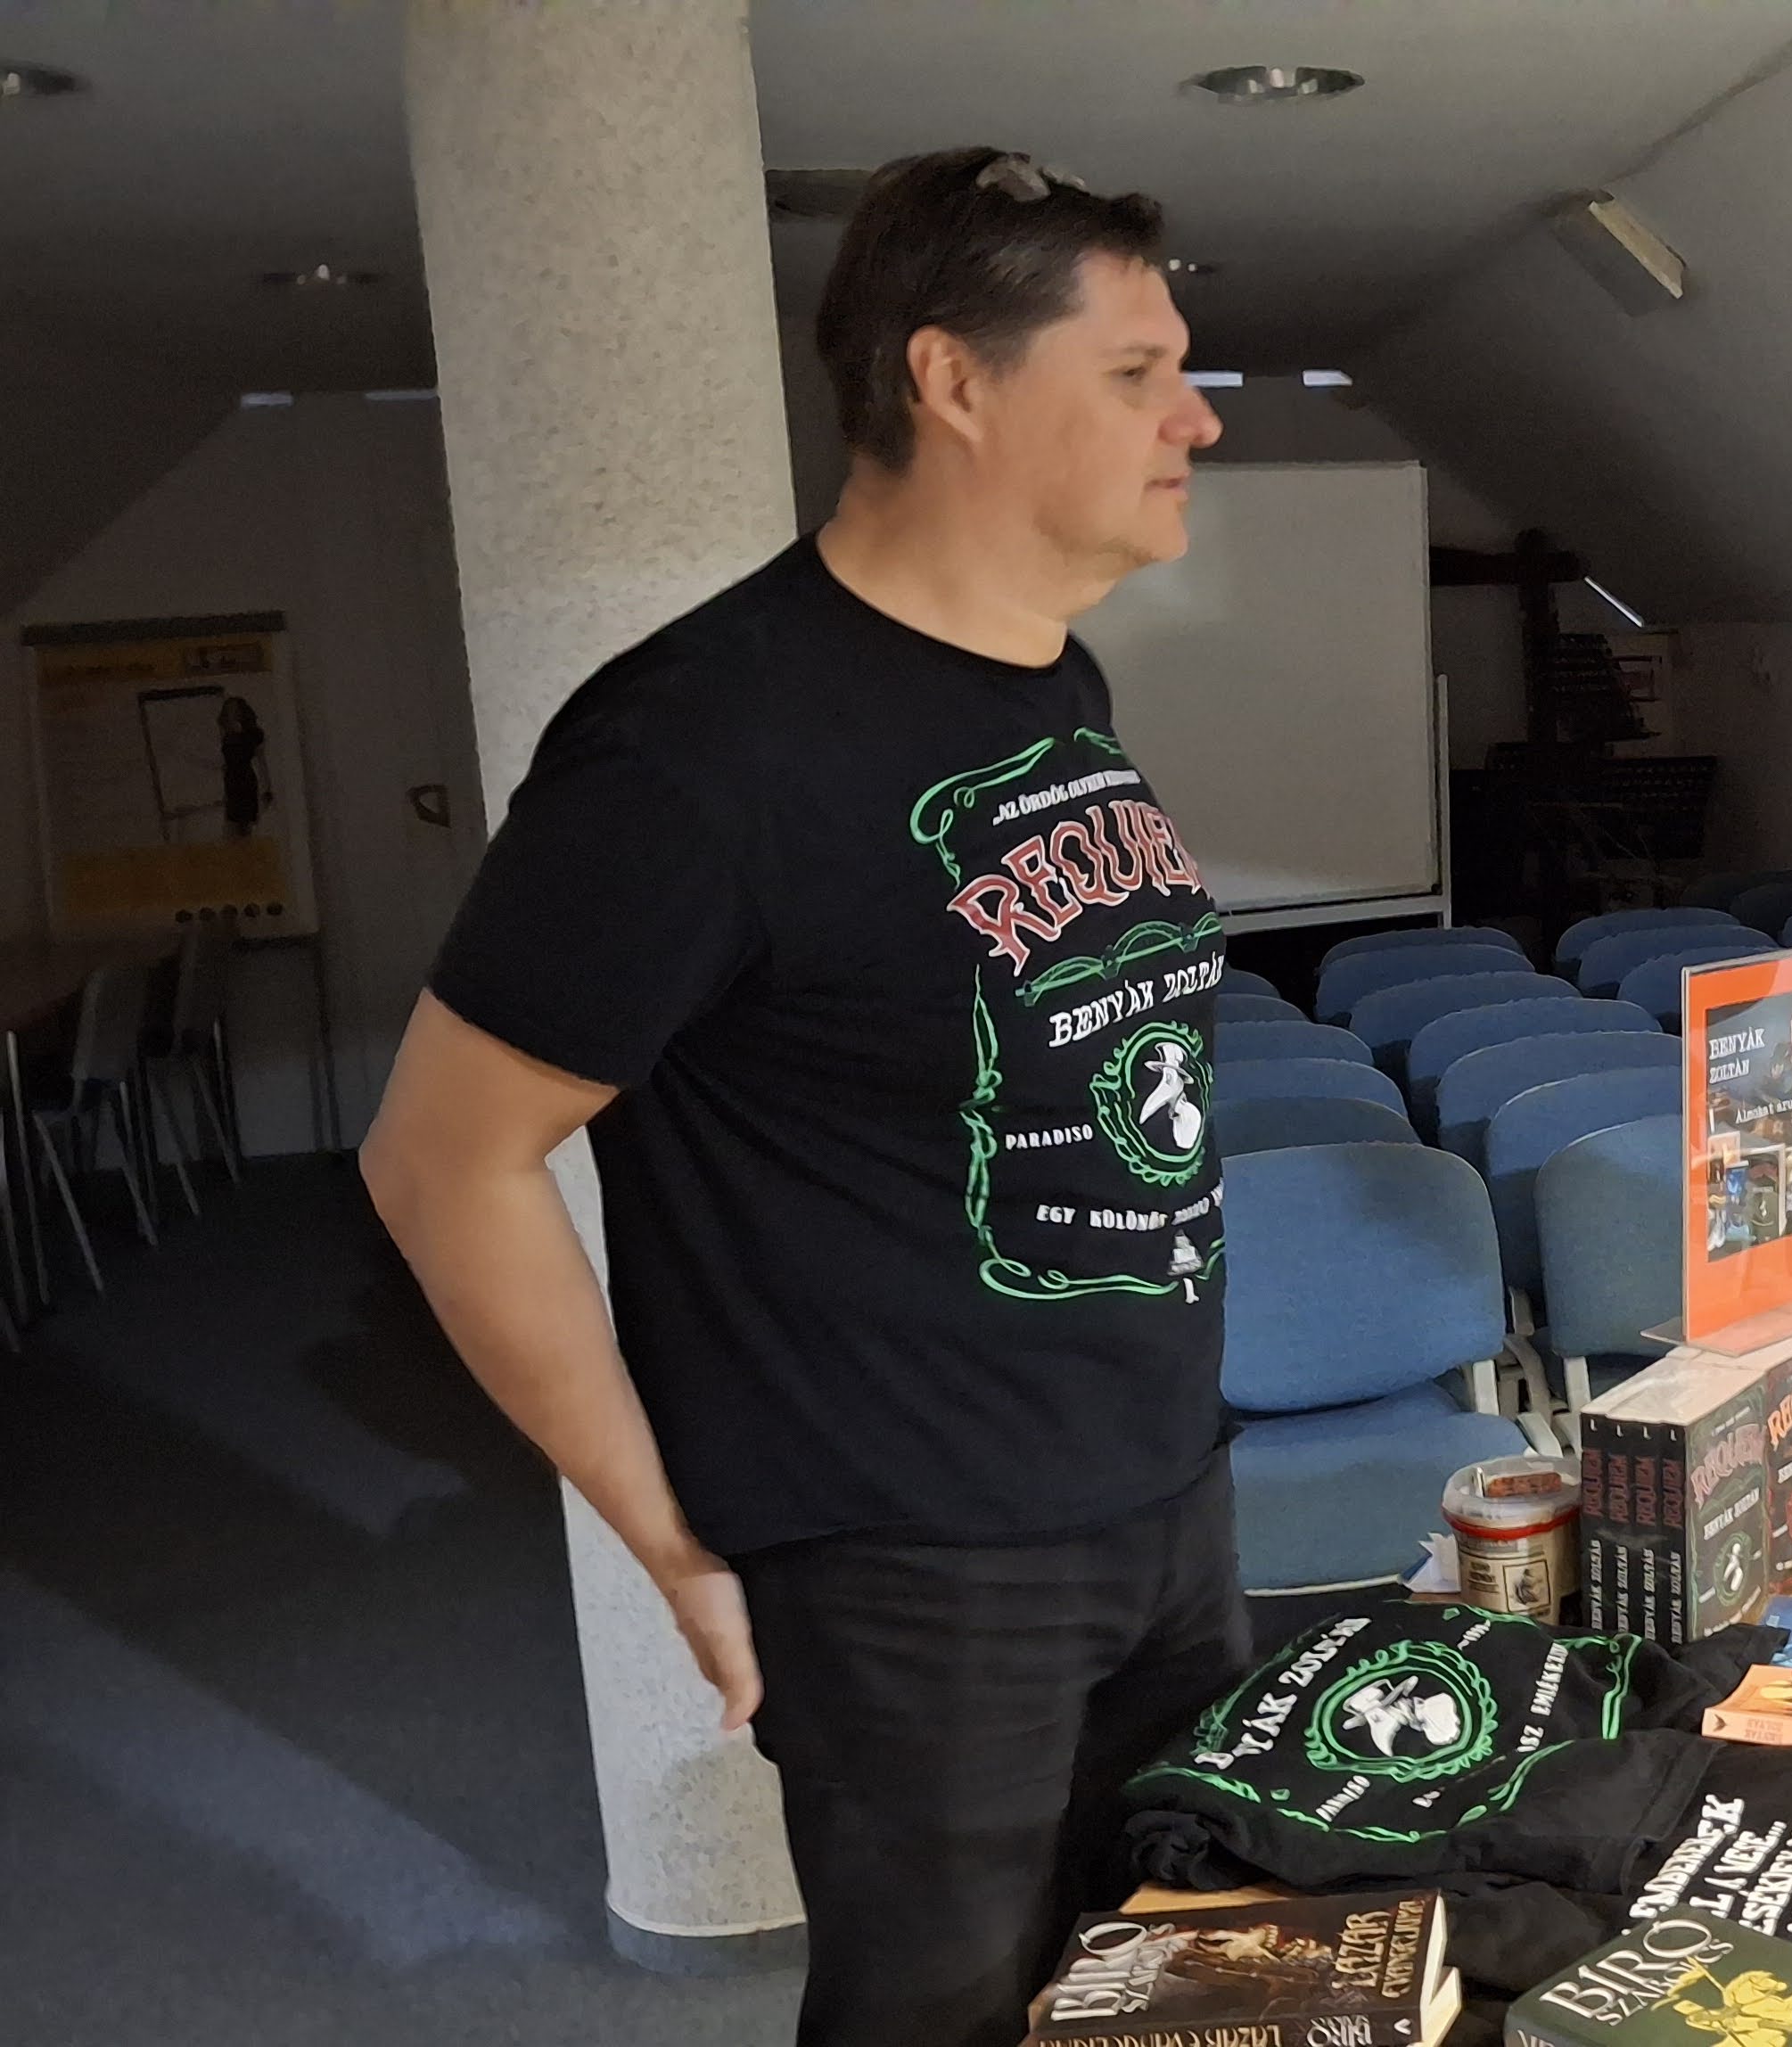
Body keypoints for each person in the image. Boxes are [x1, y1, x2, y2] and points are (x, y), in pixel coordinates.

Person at [362, 147, 1239, 2047]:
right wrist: (670, 1540)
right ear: (952, 379)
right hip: (916, 1563)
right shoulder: (698, 745)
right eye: (1137, 373)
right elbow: (443, 1159)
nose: (1199, 418)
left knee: (1165, 1983)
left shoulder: (1054, 682)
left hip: (1164, 1487)